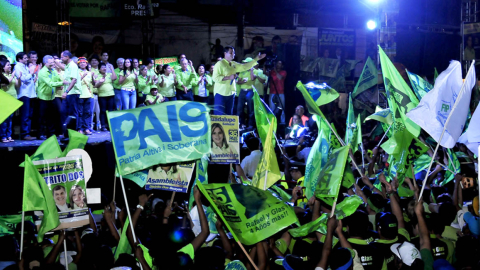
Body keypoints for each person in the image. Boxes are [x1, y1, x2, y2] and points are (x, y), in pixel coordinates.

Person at [212, 46, 265, 115]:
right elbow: (215, 78)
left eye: (234, 53)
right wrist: (228, 77)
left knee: (228, 116)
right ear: (225, 53)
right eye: (231, 53)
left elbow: (244, 67)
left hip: (231, 93)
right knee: (219, 116)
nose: (233, 54)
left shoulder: (234, 64)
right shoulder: (219, 64)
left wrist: (256, 59)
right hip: (220, 93)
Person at [36, 55, 64, 140]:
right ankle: (40, 134)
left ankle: (51, 133)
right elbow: (51, 83)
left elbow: (58, 80)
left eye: (53, 62)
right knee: (42, 117)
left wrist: (61, 83)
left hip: (52, 97)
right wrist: (63, 83)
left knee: (51, 116)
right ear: (45, 63)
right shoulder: (42, 72)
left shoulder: (53, 70)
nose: (53, 64)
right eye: (51, 62)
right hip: (43, 97)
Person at [14, 52, 37, 140]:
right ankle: (24, 134)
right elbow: (23, 79)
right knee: (25, 115)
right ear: (20, 59)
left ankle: (28, 133)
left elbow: (30, 79)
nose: (27, 59)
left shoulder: (25, 66)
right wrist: (31, 72)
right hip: (24, 94)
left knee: (30, 115)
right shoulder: (18, 66)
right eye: (25, 58)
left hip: (30, 93)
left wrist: (33, 73)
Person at [61, 50, 83, 133]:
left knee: (73, 113)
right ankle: (66, 131)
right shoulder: (67, 66)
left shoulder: (73, 66)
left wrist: (66, 91)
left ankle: (76, 130)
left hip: (73, 92)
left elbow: (74, 80)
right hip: (68, 93)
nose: (61, 58)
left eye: (62, 57)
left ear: (67, 57)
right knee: (63, 111)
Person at [0, 59, 20, 142]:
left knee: (11, 119)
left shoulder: (12, 75)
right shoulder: (2, 76)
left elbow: (17, 85)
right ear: (3, 67)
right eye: (8, 65)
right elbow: (5, 84)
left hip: (13, 98)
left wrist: (19, 78)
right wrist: (12, 76)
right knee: (5, 119)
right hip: (5, 99)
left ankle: (9, 135)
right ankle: (3, 136)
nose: (10, 66)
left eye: (10, 65)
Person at [94, 62, 117, 131]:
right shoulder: (97, 76)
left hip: (111, 94)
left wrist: (112, 69)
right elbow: (96, 86)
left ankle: (110, 125)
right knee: (103, 110)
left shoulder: (109, 74)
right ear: (99, 69)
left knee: (110, 110)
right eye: (102, 67)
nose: (104, 68)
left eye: (105, 67)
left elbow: (115, 78)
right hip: (102, 95)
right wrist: (101, 81)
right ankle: (103, 126)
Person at [236, 58, 256, 129]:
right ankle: (240, 124)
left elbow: (253, 78)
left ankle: (250, 124)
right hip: (242, 91)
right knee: (239, 108)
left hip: (250, 91)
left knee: (250, 108)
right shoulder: (242, 72)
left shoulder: (254, 71)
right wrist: (243, 82)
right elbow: (238, 82)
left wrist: (251, 70)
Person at [78, 57, 94, 135]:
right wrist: (82, 76)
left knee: (87, 112)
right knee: (80, 113)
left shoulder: (89, 72)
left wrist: (94, 78)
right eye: (80, 63)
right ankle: (80, 128)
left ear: (86, 64)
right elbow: (75, 83)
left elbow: (93, 84)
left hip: (88, 94)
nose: (82, 64)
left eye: (84, 62)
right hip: (80, 95)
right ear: (78, 64)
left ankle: (86, 128)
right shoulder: (77, 72)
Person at [89, 55, 101, 131]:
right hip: (91, 93)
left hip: (100, 94)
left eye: (95, 60)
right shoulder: (89, 69)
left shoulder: (100, 70)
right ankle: (90, 126)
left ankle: (98, 125)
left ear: (98, 62)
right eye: (92, 60)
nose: (94, 61)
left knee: (98, 111)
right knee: (91, 111)